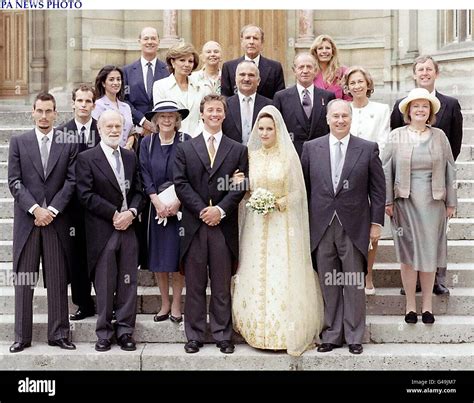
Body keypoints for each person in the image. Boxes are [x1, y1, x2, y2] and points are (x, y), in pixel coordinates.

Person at [231, 106, 324, 356]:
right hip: (256, 224)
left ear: (277, 130)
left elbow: (298, 194)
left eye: (269, 129)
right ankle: (255, 330)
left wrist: (276, 203)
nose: (264, 133)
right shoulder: (251, 156)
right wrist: (245, 189)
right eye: (260, 129)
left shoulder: (288, 158)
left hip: (282, 225)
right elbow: (245, 189)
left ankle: (283, 331)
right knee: (255, 269)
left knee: (280, 272)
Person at [301, 99, 385, 355]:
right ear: (327, 119)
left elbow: (378, 190)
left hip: (354, 226)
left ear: (351, 119)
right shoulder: (310, 148)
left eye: (344, 116)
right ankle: (332, 333)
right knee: (328, 281)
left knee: (353, 282)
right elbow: (304, 188)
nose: (339, 120)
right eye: (335, 116)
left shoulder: (367, 148)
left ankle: (354, 335)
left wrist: (376, 223)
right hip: (321, 225)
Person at [174, 94, 248, 354]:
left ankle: (222, 334)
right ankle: (194, 334)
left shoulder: (238, 149)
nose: (215, 114)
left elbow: (240, 186)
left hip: (222, 226)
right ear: (202, 114)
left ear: (225, 115)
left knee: (220, 284)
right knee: (194, 284)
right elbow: (180, 184)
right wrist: (203, 210)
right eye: (210, 110)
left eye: (219, 110)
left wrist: (220, 210)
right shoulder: (185, 148)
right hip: (195, 225)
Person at [8, 92, 77, 353]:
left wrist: (53, 210)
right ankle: (22, 336)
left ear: (56, 113)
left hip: (56, 222)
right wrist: (36, 209)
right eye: (40, 111)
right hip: (29, 222)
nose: (45, 116)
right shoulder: (19, 142)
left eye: (49, 111)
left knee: (58, 280)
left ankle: (59, 334)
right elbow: (15, 182)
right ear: (33, 112)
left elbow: (71, 181)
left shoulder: (66, 142)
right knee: (24, 280)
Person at [390, 55, 463, 296]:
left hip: (435, 180)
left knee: (435, 236)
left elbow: (454, 145)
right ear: (414, 74)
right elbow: (395, 147)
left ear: (436, 73)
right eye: (420, 69)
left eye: (429, 69)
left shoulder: (450, 104)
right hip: (408, 183)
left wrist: (440, 170)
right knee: (411, 237)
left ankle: (437, 280)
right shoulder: (401, 104)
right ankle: (413, 284)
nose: (424, 73)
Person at [383, 88, 457, 325]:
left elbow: (450, 169)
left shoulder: (440, 136)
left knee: (429, 253)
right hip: (404, 201)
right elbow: (386, 170)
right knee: (408, 254)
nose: (420, 110)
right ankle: (410, 306)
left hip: (433, 203)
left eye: (425, 107)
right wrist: (387, 200)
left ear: (430, 112)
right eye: (416, 106)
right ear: (408, 111)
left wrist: (451, 202)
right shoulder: (396, 136)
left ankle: (427, 305)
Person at [76, 109, 145, 352]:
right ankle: (104, 332)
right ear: (100, 129)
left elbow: (139, 191)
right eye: (109, 127)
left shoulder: (130, 157)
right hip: (103, 230)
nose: (114, 131)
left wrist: (131, 213)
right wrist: (114, 214)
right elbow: (85, 194)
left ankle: (125, 330)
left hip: (129, 228)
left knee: (128, 281)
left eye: (118, 126)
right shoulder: (86, 158)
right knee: (104, 283)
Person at [139, 100, 190, 324]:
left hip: (179, 208)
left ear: (177, 119)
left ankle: (177, 304)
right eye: (163, 116)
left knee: (176, 259)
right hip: (156, 209)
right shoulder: (147, 143)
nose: (167, 120)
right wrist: (156, 202)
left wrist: (178, 201)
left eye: (172, 116)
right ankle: (164, 303)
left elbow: (190, 173)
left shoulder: (186, 141)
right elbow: (144, 173)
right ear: (156, 120)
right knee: (159, 258)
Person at [343, 66, 390, 295]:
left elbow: (383, 140)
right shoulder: (344, 109)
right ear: (347, 87)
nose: (357, 86)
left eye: (360, 81)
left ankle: (368, 274)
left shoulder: (381, 109)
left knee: (372, 226)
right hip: (344, 175)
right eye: (352, 83)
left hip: (371, 170)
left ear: (367, 84)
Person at [57, 84, 100, 321]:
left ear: (94, 104)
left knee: (101, 255)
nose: (84, 105)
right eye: (80, 101)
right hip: (72, 207)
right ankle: (83, 303)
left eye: (88, 101)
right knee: (76, 256)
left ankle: (106, 301)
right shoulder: (62, 132)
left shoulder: (101, 128)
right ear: (73, 103)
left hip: (98, 204)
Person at [273, 53, 335, 157]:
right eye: (301, 67)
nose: (305, 71)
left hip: (321, 155)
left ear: (315, 71)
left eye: (309, 67)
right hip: (291, 156)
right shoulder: (281, 97)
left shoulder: (328, 97)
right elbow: (276, 129)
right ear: (294, 70)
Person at [123, 27, 170, 140]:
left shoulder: (168, 71)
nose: (150, 42)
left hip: (163, 130)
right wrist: (143, 121)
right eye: (146, 38)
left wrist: (156, 123)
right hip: (137, 132)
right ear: (139, 42)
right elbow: (124, 100)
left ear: (159, 42)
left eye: (153, 38)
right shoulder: (127, 71)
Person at [153, 42, 206, 137]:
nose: (187, 64)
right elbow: (162, 118)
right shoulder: (160, 86)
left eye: (190, 61)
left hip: (197, 141)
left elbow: (202, 118)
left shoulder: (201, 87)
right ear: (172, 62)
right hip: (171, 140)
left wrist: (195, 139)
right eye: (182, 60)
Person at [221, 24, 285, 99]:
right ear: (242, 42)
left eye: (255, 38)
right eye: (248, 38)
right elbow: (225, 97)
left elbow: (279, 98)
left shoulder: (275, 68)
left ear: (262, 42)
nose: (251, 42)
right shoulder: (229, 67)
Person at [222, 60, 272, 145]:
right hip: (232, 156)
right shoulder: (224, 105)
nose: (246, 79)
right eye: (242, 74)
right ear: (235, 78)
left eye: (251, 75)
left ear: (258, 80)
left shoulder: (269, 106)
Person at [92, 65, 134, 148]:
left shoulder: (126, 107)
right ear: (103, 83)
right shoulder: (98, 105)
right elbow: (97, 133)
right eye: (111, 80)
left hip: (126, 153)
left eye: (118, 79)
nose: (116, 83)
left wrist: (129, 145)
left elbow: (131, 131)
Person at [310, 34, 351, 101]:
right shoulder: (310, 72)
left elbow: (349, 97)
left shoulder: (343, 72)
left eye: (328, 48)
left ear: (333, 51)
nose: (324, 51)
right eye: (320, 48)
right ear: (315, 52)